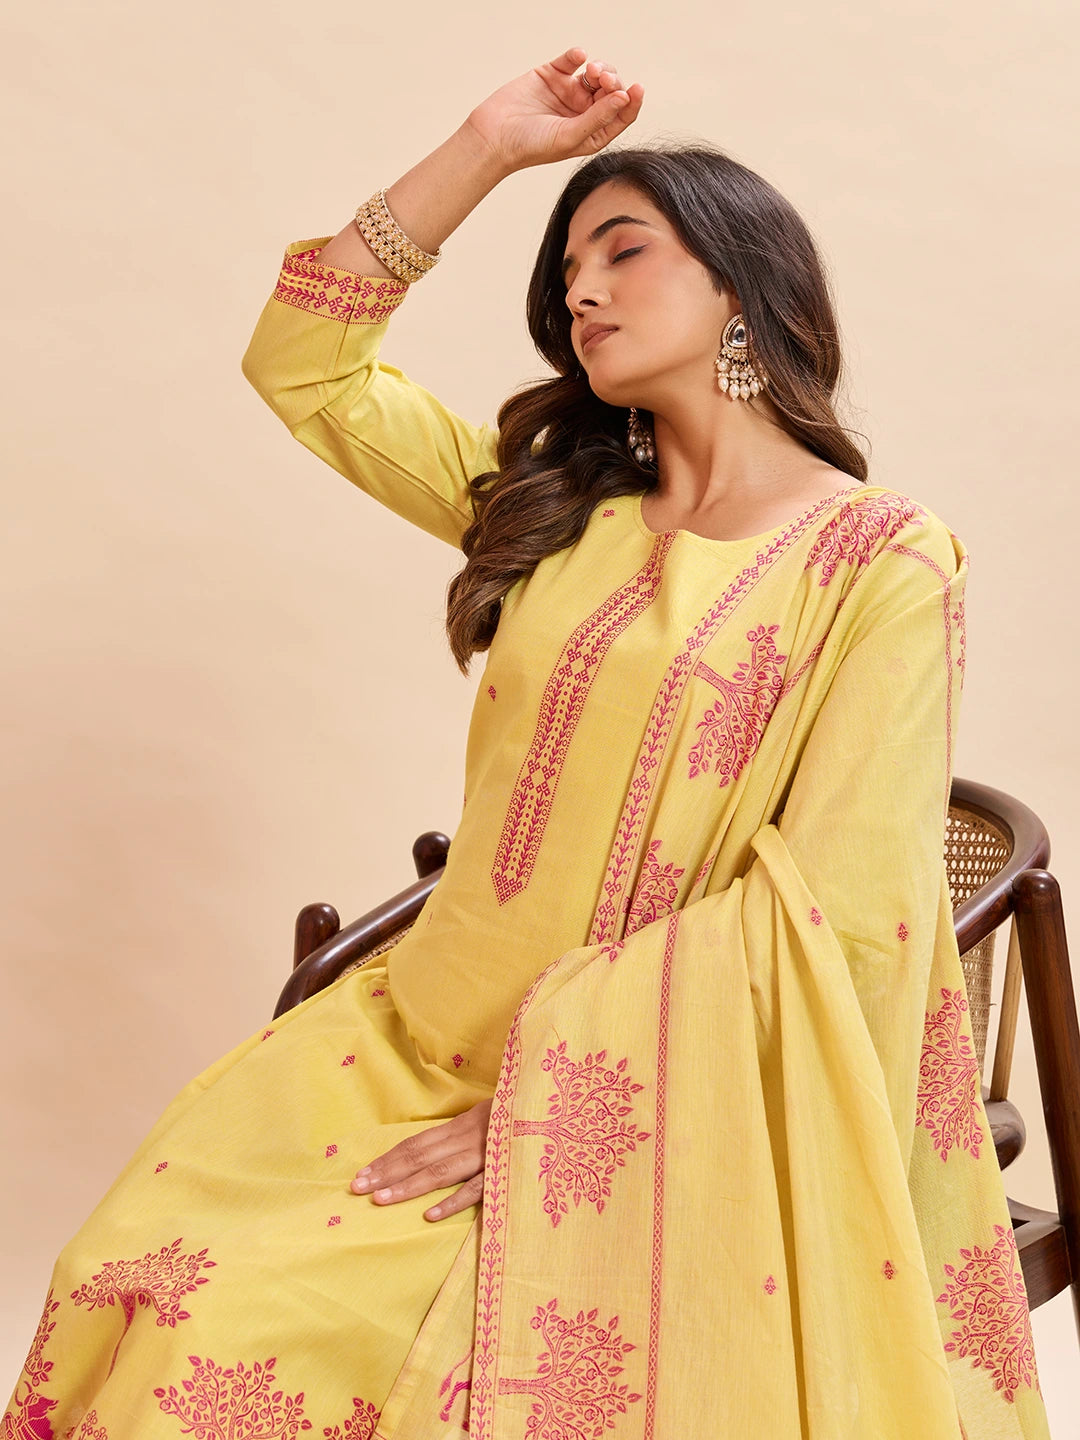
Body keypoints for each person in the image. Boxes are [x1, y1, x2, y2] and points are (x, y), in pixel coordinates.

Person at [4, 45, 1052, 1440]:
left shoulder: (878, 563)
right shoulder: (550, 511)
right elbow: (303, 366)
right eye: (567, 271)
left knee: (272, 1360)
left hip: (624, 1092)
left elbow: (844, 909)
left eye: (623, 252)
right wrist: (487, 147)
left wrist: (557, 1124)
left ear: (748, 288)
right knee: (126, 1279)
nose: (582, 288)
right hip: (403, 1041)